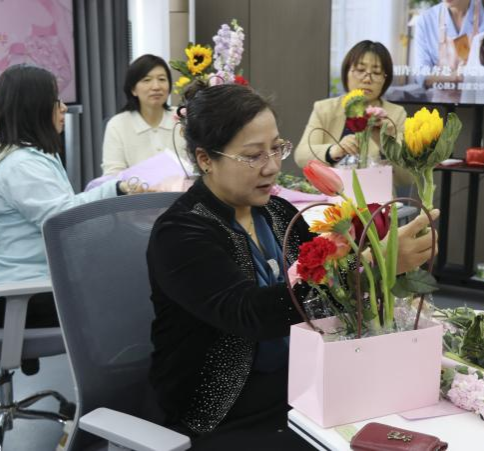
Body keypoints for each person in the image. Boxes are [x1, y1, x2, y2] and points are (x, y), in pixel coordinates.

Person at [146, 82, 439, 448]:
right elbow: (251, 314)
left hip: (302, 387)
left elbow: (325, 292)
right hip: (229, 414)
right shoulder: (179, 234)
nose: (272, 167)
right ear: (206, 159)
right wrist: (370, 267)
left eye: (276, 148)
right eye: (253, 156)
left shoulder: (279, 213)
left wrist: (383, 260)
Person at [0, 64, 127, 328]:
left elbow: (62, 211)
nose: (63, 108)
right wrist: (116, 190)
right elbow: (64, 221)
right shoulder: (22, 165)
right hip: (17, 296)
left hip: (27, 284)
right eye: (55, 101)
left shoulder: (21, 153)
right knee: (129, 294)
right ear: (35, 108)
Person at [294, 41, 411, 186]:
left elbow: (407, 177)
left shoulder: (395, 114)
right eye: (360, 70)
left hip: (375, 194)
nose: (367, 79)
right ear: (346, 72)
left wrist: (385, 144)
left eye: (376, 73)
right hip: (329, 194)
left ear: (385, 79)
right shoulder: (325, 109)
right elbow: (301, 155)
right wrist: (333, 151)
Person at [101, 54, 187, 175]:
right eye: (147, 80)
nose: (156, 87)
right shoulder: (117, 125)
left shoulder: (183, 118)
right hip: (137, 188)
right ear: (133, 89)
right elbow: (112, 175)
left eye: (162, 79)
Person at [413, 0, 484, 102]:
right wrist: (455, 77)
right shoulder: (426, 20)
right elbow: (421, 75)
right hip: (441, 105)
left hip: (482, 102)